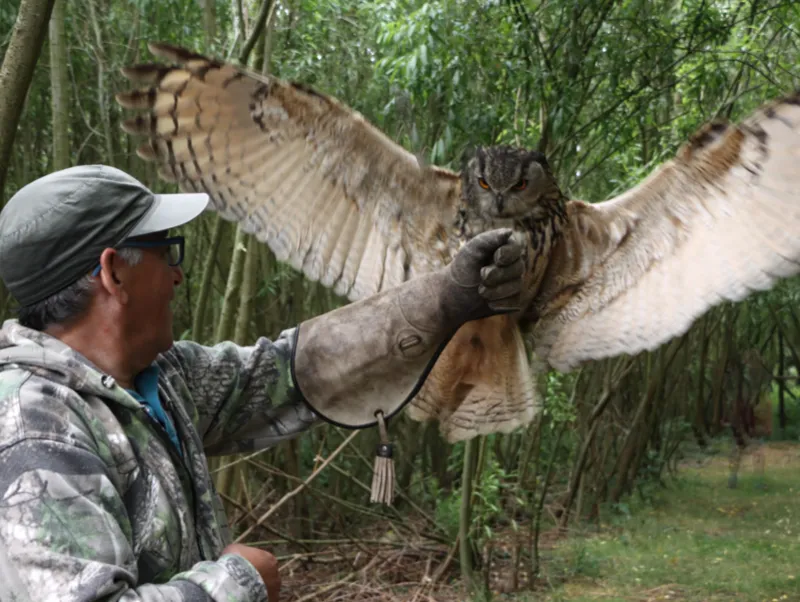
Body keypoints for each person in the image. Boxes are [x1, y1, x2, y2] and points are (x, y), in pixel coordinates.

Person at [0, 165, 526, 602]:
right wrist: (235, 585)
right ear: (114, 274)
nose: (178, 275)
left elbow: (292, 371)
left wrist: (447, 300)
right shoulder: (36, 427)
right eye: (167, 251)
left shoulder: (161, 380)